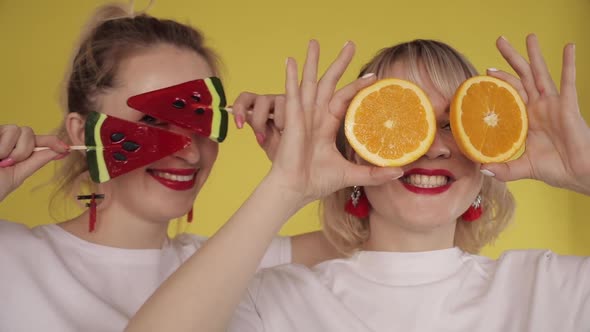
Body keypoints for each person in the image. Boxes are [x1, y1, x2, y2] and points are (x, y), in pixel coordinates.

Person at [124, 35, 590, 332]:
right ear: (352, 153)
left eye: (452, 125)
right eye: (401, 125)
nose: (432, 147)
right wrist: (287, 184)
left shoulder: (550, 288)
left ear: (487, 158)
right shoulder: (271, 300)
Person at [0, 3, 337, 332]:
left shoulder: (240, 259)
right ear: (81, 132)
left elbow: (366, 239)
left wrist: (317, 153)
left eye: (201, 122)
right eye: (152, 121)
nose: (190, 154)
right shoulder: (11, 258)